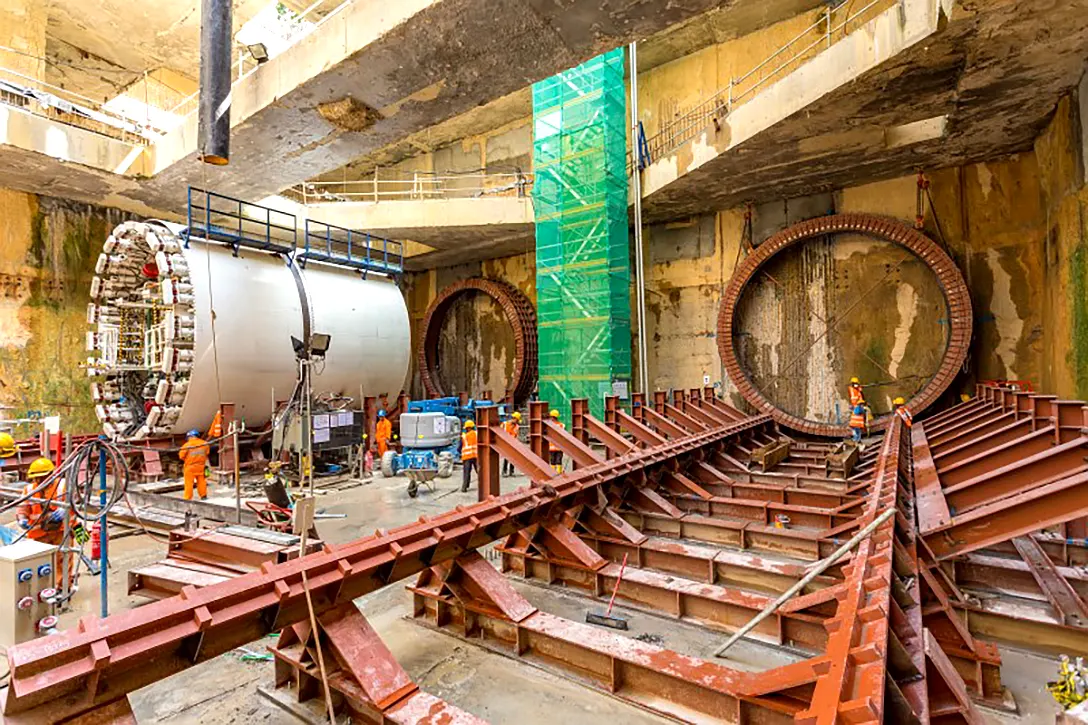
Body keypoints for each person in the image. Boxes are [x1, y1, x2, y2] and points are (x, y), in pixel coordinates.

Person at [15, 457, 73, 579]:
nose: (39, 480)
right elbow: (23, 507)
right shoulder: (30, 489)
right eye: (36, 477)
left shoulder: (63, 485)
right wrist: (22, 518)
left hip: (61, 530)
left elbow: (76, 501)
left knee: (62, 559)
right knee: (42, 563)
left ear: (51, 474)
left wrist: (65, 510)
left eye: (42, 477)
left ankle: (61, 588)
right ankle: (45, 587)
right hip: (39, 533)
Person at [179, 429, 210, 501]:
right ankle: (203, 496)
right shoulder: (205, 444)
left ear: (190, 437)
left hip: (190, 467)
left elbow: (181, 456)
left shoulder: (187, 445)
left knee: (189, 483)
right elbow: (207, 453)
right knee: (201, 482)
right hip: (201, 466)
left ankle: (187, 498)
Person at [501, 411, 521, 477]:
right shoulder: (504, 424)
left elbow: (515, 435)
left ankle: (511, 472)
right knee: (506, 457)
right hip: (505, 443)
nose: (517, 422)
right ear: (515, 418)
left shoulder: (517, 426)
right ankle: (504, 471)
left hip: (512, 444)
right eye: (517, 420)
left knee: (513, 458)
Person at [460, 420, 477, 493]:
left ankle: (465, 487)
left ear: (467, 428)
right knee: (479, 471)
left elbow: (459, 447)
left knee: (467, 472)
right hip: (476, 456)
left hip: (467, 457)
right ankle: (483, 485)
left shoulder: (464, 436)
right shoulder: (477, 434)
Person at [548, 409, 564, 473]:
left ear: (552, 417)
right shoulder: (562, 425)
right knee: (558, 461)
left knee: (553, 461)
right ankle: (558, 473)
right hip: (559, 447)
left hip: (552, 447)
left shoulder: (549, 425)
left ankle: (553, 473)